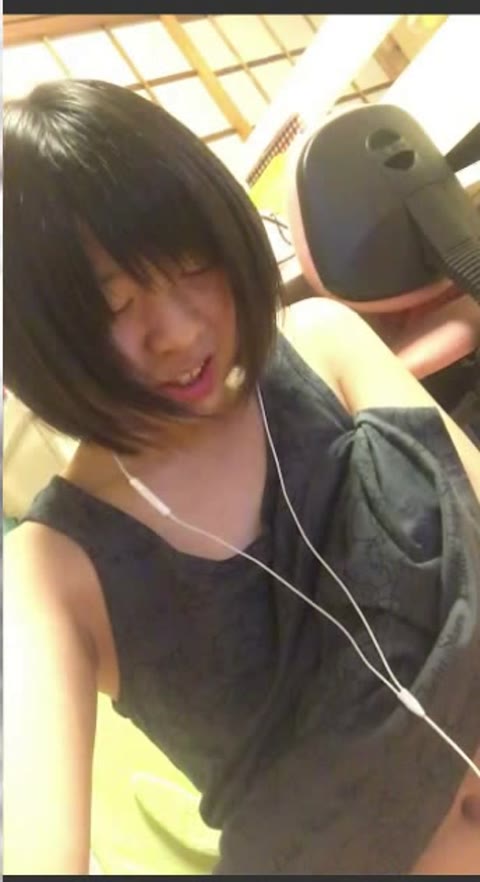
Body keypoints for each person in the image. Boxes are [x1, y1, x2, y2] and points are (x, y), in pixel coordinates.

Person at [4, 79, 480, 876]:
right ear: (42, 338)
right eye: (114, 307)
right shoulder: (51, 568)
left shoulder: (323, 343)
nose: (178, 330)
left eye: (191, 263)